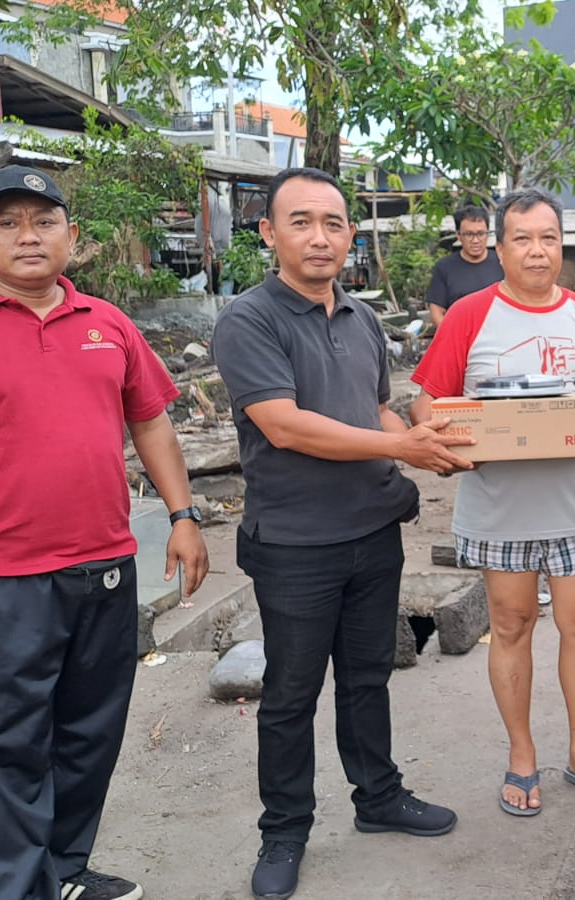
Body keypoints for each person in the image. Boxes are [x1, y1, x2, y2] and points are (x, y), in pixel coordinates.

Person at [0, 164, 210, 900]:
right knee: (3, 748)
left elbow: (149, 418)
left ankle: (64, 872)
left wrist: (182, 516)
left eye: (44, 221)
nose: (28, 236)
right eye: (7, 223)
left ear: (72, 236)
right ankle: (17, 891)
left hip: (106, 568)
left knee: (90, 737)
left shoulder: (107, 324)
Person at [211, 167, 474, 900]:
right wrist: (404, 449)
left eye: (332, 222)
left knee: (367, 677)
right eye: (301, 222)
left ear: (349, 235)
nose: (319, 236)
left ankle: (379, 798)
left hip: (370, 531)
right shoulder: (249, 319)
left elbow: (376, 412)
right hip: (295, 542)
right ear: (270, 234)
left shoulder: (360, 319)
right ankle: (284, 831)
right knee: (292, 693)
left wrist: (430, 438)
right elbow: (284, 424)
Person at [409, 188, 575, 817]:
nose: (537, 251)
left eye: (549, 238)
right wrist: (449, 440)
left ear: (561, 245)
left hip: (574, 504)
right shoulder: (469, 315)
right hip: (498, 506)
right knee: (511, 626)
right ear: (500, 246)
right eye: (523, 239)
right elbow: (426, 401)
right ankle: (521, 756)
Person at [425, 204, 504, 327]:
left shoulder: (503, 262)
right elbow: (436, 312)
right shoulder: (444, 267)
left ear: (488, 234)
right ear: (459, 235)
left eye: (481, 233)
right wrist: (453, 336)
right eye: (468, 234)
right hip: (461, 337)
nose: (475, 240)